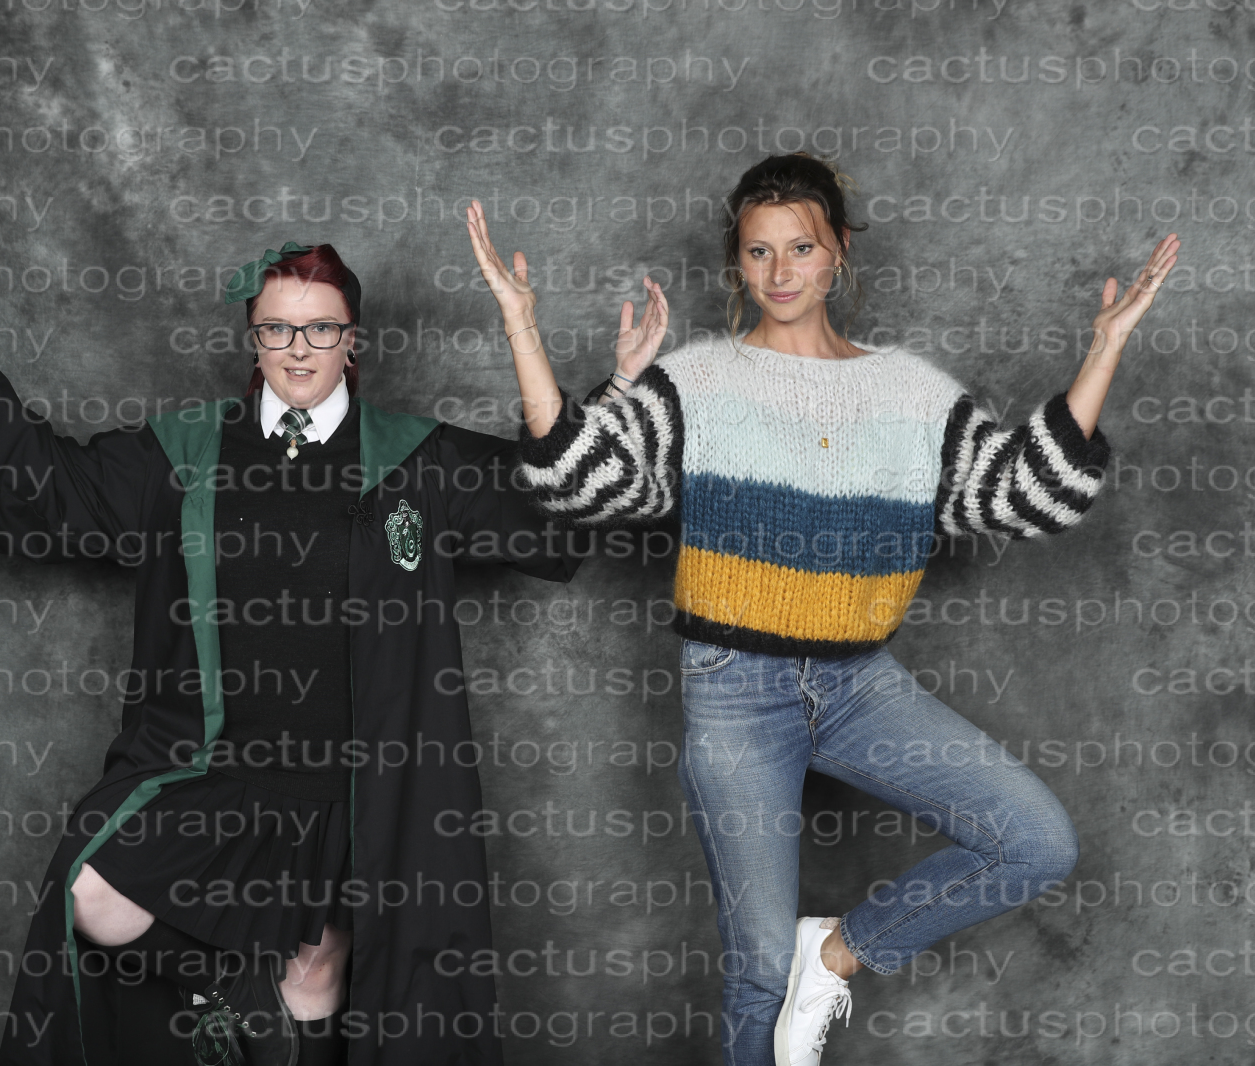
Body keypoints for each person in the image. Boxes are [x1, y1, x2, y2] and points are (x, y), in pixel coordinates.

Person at [464, 152, 1180, 1066]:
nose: (780, 272)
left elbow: (1022, 495)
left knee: (1034, 840)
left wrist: (1104, 348)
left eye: (801, 247)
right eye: (759, 252)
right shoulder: (700, 379)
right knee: (761, 975)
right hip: (735, 693)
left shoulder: (912, 392)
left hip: (858, 688)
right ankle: (795, 971)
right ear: (738, 262)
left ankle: (833, 954)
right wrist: (523, 329)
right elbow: (578, 481)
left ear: (838, 249)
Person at [0, 241, 585, 1066]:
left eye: (321, 329)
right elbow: (56, 486)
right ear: (254, 339)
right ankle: (231, 984)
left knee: (318, 985)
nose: (299, 349)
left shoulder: (415, 460)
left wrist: (522, 328)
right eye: (276, 329)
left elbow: (554, 491)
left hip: (358, 787)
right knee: (92, 894)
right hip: (214, 766)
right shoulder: (186, 455)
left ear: (352, 339)